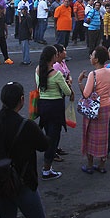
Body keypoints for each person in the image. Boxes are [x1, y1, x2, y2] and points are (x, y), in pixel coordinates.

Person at [0, 82, 49, 218]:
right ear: (22, 99)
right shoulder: (26, 125)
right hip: (23, 180)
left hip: (1, 179)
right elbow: (44, 145)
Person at [36, 45, 72, 180]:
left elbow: (39, 86)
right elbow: (67, 92)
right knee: (54, 137)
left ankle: (47, 161)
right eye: (56, 54)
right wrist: (68, 83)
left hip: (43, 105)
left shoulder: (38, 70)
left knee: (48, 134)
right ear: (52, 57)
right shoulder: (56, 74)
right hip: (55, 106)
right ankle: (47, 168)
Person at [77, 45, 110, 173]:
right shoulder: (109, 71)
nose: (90, 57)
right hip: (107, 105)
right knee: (103, 135)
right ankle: (102, 165)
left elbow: (86, 95)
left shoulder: (93, 74)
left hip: (94, 108)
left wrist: (80, 82)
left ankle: (90, 164)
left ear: (96, 59)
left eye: (92, 55)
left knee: (90, 135)